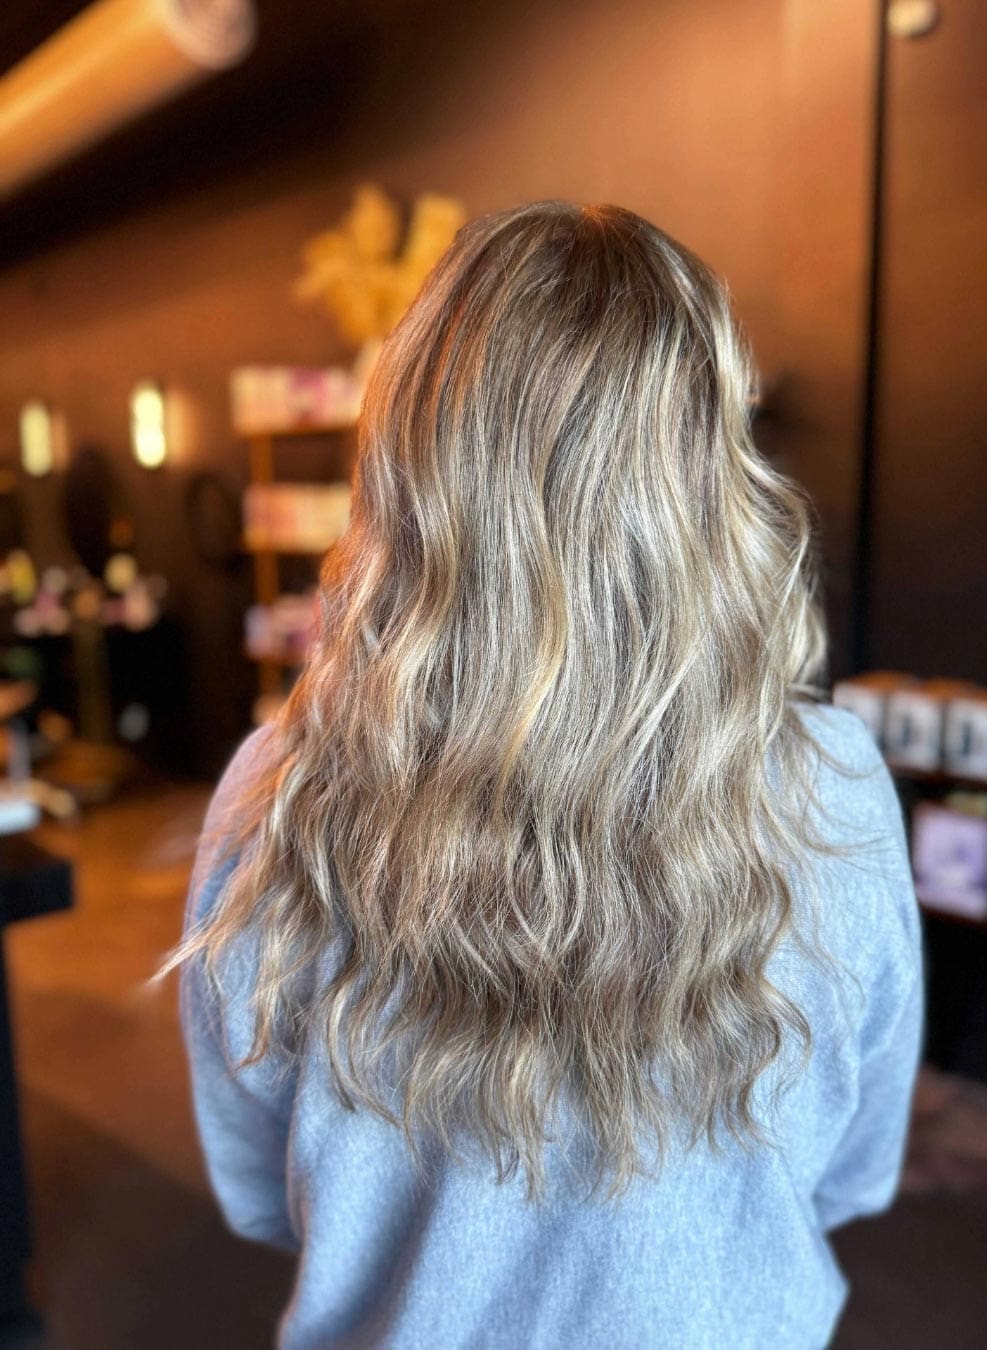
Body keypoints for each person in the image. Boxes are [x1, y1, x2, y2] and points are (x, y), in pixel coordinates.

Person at [167, 201, 923, 1349]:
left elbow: (258, 1186)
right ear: (706, 468)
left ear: (413, 459)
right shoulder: (839, 786)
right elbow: (853, 1170)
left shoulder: (279, 792)